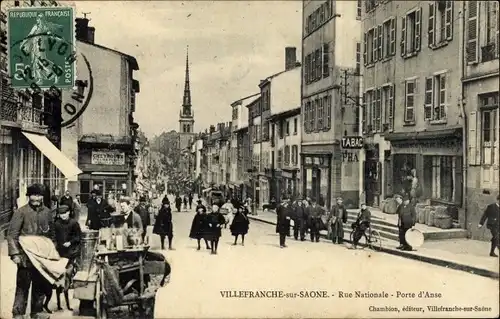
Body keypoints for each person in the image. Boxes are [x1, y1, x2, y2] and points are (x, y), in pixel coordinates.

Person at [7, 183, 54, 319]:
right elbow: (12, 235)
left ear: (42, 197)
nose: (36, 198)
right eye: (33, 195)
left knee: (39, 286)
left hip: (41, 258)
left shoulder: (47, 213)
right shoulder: (21, 212)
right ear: (29, 196)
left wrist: (51, 254)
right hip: (25, 257)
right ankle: (18, 313)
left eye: (39, 195)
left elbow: (52, 235)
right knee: (22, 286)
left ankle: (36, 311)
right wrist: (15, 254)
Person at [49, 205, 81, 312]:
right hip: (59, 254)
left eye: (65, 214)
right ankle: (58, 304)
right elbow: (53, 236)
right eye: (61, 214)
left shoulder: (74, 223)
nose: (63, 216)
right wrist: (55, 246)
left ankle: (68, 294)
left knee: (68, 276)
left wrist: (70, 242)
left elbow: (78, 237)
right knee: (59, 278)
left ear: (69, 213)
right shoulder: (56, 224)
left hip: (71, 253)